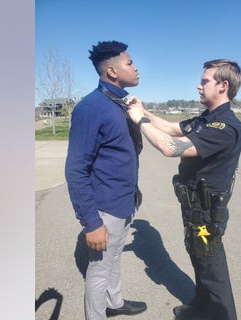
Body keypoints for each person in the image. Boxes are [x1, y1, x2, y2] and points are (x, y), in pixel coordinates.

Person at [126, 59, 241, 320]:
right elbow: (171, 128)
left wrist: (140, 121)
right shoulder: (207, 119)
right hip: (194, 207)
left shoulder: (225, 127)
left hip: (207, 212)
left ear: (223, 86)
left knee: (212, 268)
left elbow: (171, 147)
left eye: (204, 81)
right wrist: (145, 111)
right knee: (199, 259)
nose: (199, 86)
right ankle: (201, 308)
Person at [65, 40, 147, 320]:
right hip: (105, 208)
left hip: (124, 202)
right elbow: (76, 169)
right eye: (129, 63)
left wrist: (133, 190)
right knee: (98, 272)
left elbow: (119, 155)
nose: (135, 68)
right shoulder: (92, 108)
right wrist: (92, 222)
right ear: (112, 71)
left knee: (114, 259)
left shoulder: (119, 104)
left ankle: (115, 303)